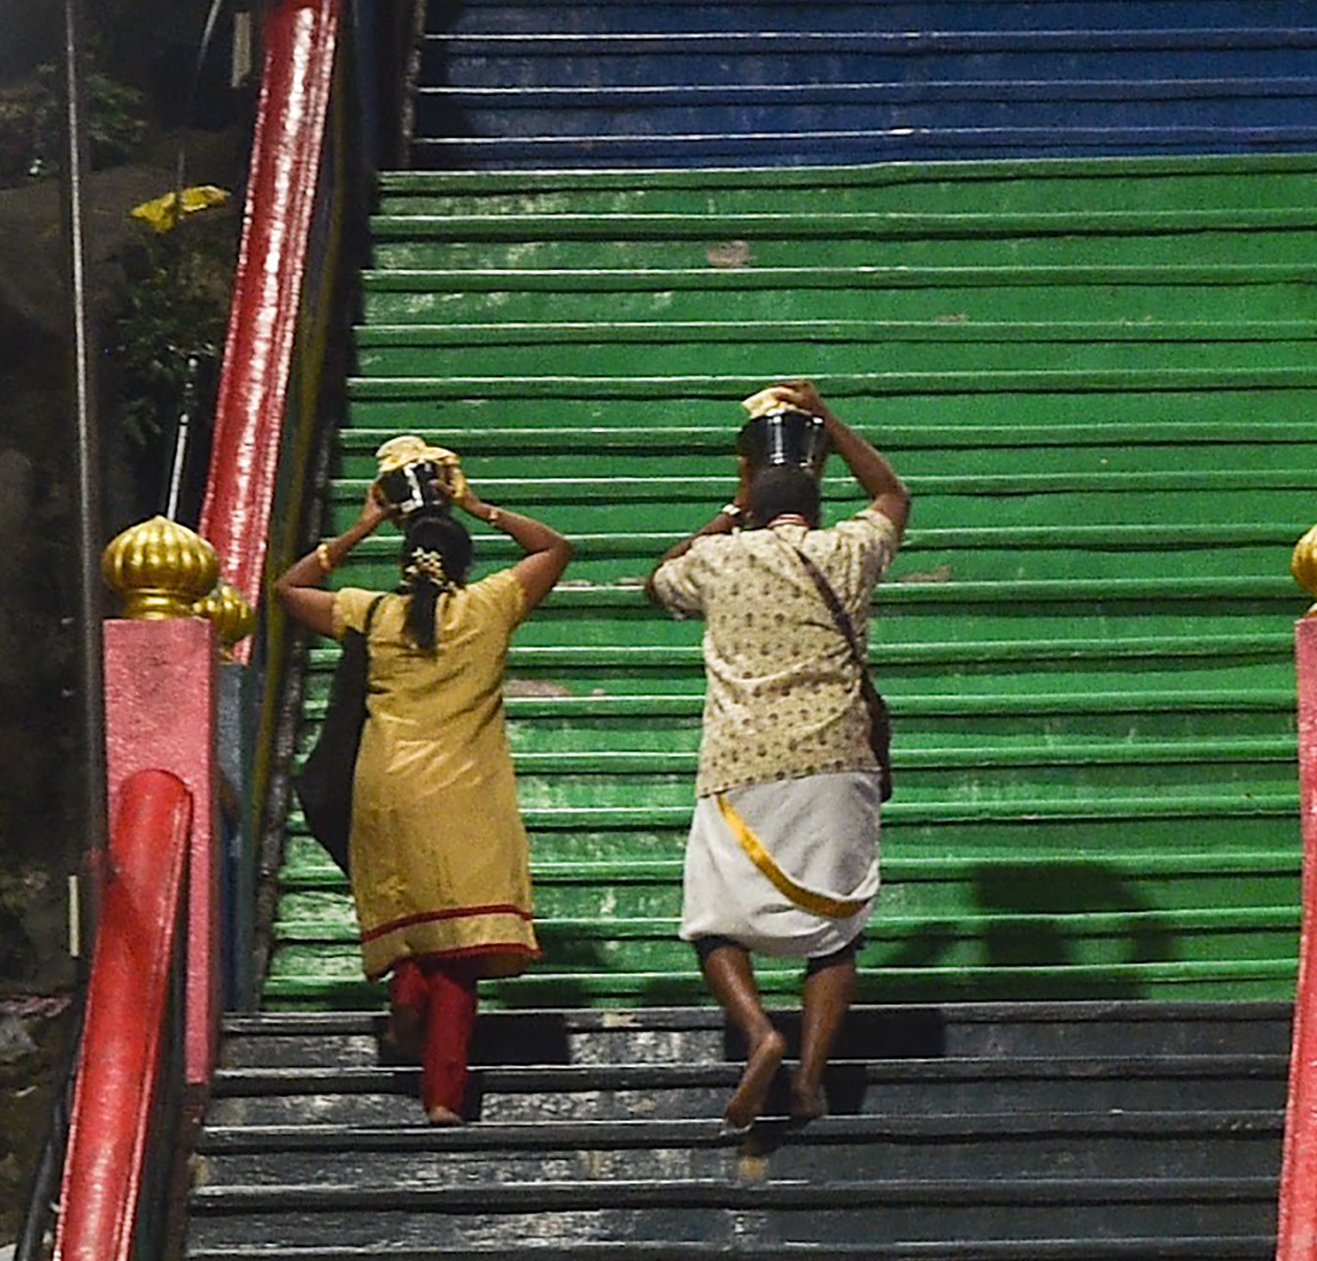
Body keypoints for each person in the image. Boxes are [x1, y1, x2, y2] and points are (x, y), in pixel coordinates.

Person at [645, 381, 909, 1133]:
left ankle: (761, 1032)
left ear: (755, 502)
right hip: (837, 759)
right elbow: (891, 491)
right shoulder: (848, 548)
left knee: (713, 926)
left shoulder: (720, 561)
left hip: (740, 764)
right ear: (818, 499)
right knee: (837, 933)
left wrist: (735, 502)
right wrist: (827, 418)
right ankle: (812, 1080)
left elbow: (655, 582)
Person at [272, 468, 574, 1125]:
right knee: (460, 951)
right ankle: (442, 1098)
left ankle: (407, 1003)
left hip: (387, 785)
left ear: (407, 565)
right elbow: (554, 549)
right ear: (462, 566)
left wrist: (363, 525)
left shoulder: (373, 613)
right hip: (463, 792)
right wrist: (479, 504)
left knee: (421, 927)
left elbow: (288, 587)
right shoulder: (488, 606)